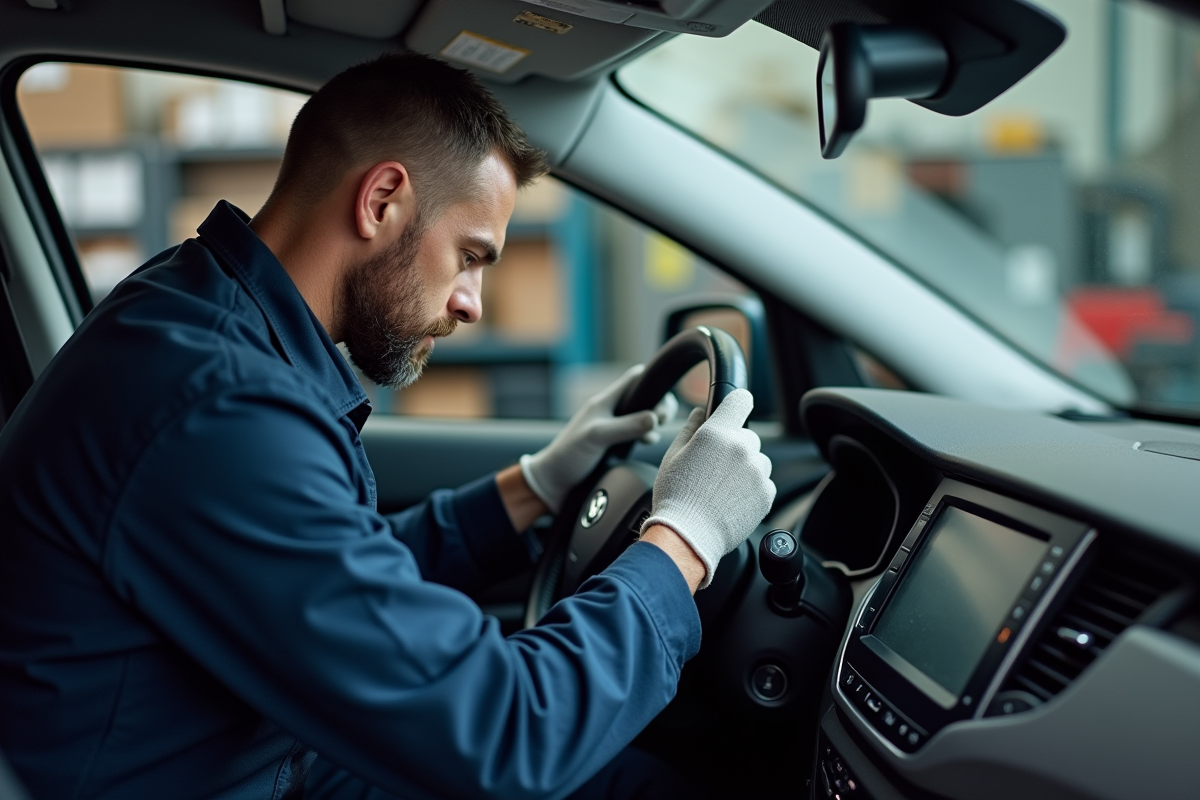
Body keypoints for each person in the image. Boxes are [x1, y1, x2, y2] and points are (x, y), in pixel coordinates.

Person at [0, 53, 775, 800]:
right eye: (471, 254)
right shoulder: (220, 409)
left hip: (243, 749)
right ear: (381, 201)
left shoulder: (201, 311)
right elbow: (505, 736)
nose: (472, 301)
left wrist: (536, 486)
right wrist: (685, 538)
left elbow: (331, 577)